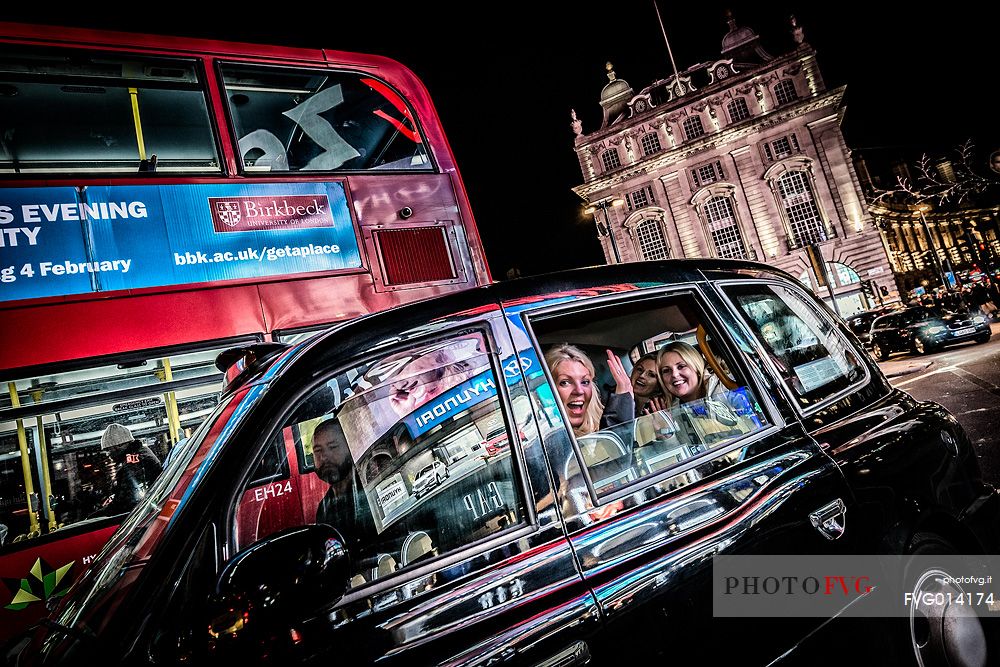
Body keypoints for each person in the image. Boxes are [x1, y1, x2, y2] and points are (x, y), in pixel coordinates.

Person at [311, 417, 375, 550]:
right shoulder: (324, 508)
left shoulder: (371, 491)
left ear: (351, 447)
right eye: (318, 450)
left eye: (333, 447)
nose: (324, 457)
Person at [545, 344, 633, 437]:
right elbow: (608, 451)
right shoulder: (543, 442)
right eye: (565, 382)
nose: (579, 391)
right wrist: (619, 412)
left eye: (585, 382)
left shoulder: (598, 430)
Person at [90, 423, 163, 518]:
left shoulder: (135, 462)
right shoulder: (139, 454)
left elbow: (125, 502)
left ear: (118, 446)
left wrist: (98, 515)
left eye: (109, 450)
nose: (108, 454)